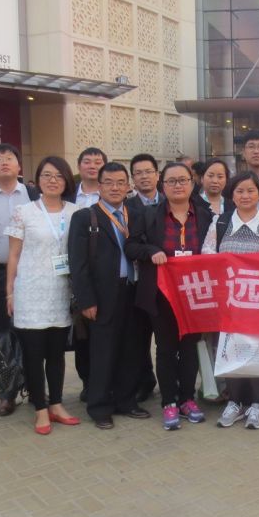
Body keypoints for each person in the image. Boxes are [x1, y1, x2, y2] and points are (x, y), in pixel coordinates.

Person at [126, 162, 213, 431]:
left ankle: (187, 398)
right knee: (165, 349)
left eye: (183, 180)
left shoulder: (206, 215)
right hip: (161, 294)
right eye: (171, 181)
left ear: (192, 184)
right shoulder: (149, 215)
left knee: (189, 347)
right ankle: (169, 402)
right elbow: (131, 246)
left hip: (195, 293)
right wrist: (151, 251)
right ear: (162, 185)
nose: (178, 185)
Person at [68, 162, 150, 429]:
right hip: (102, 295)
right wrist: (86, 300)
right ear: (99, 186)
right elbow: (77, 263)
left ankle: (126, 401)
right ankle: (99, 407)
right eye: (109, 183)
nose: (115, 188)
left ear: (128, 186)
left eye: (120, 182)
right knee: (102, 352)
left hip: (132, 291)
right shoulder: (85, 217)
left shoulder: (136, 214)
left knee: (131, 349)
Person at [203, 171, 259, 429]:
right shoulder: (219, 223)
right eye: (239, 191)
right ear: (232, 195)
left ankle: (257, 405)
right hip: (228, 304)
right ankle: (235, 402)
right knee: (231, 352)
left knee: (257, 352)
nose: (245, 196)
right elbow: (207, 256)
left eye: (251, 190)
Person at [5, 156, 80, 435]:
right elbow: (13, 255)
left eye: (58, 176)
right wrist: (9, 292)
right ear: (37, 180)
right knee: (33, 355)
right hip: (30, 292)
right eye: (47, 175)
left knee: (56, 355)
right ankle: (40, 409)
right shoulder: (24, 212)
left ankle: (56, 404)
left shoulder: (76, 212)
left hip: (60, 292)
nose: (52, 180)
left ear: (66, 181)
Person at [0, 143, 38, 416]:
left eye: (9, 158)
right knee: (3, 333)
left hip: (32, 273)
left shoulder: (33, 194)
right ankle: (7, 392)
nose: (4, 162)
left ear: (19, 165)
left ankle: (36, 387)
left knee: (34, 332)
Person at [126, 153, 164, 402]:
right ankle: (145, 380)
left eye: (148, 171)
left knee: (166, 338)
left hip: (169, 282)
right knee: (139, 337)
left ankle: (171, 380)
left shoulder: (172, 201)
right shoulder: (126, 207)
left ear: (157, 175)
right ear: (133, 178)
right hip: (138, 281)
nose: (144, 177)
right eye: (138, 173)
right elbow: (129, 245)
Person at [72, 146, 107, 400]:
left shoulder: (114, 196)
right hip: (73, 271)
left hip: (104, 274)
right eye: (87, 161)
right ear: (79, 166)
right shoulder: (66, 195)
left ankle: (106, 382)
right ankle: (87, 382)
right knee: (81, 334)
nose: (92, 165)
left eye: (98, 161)